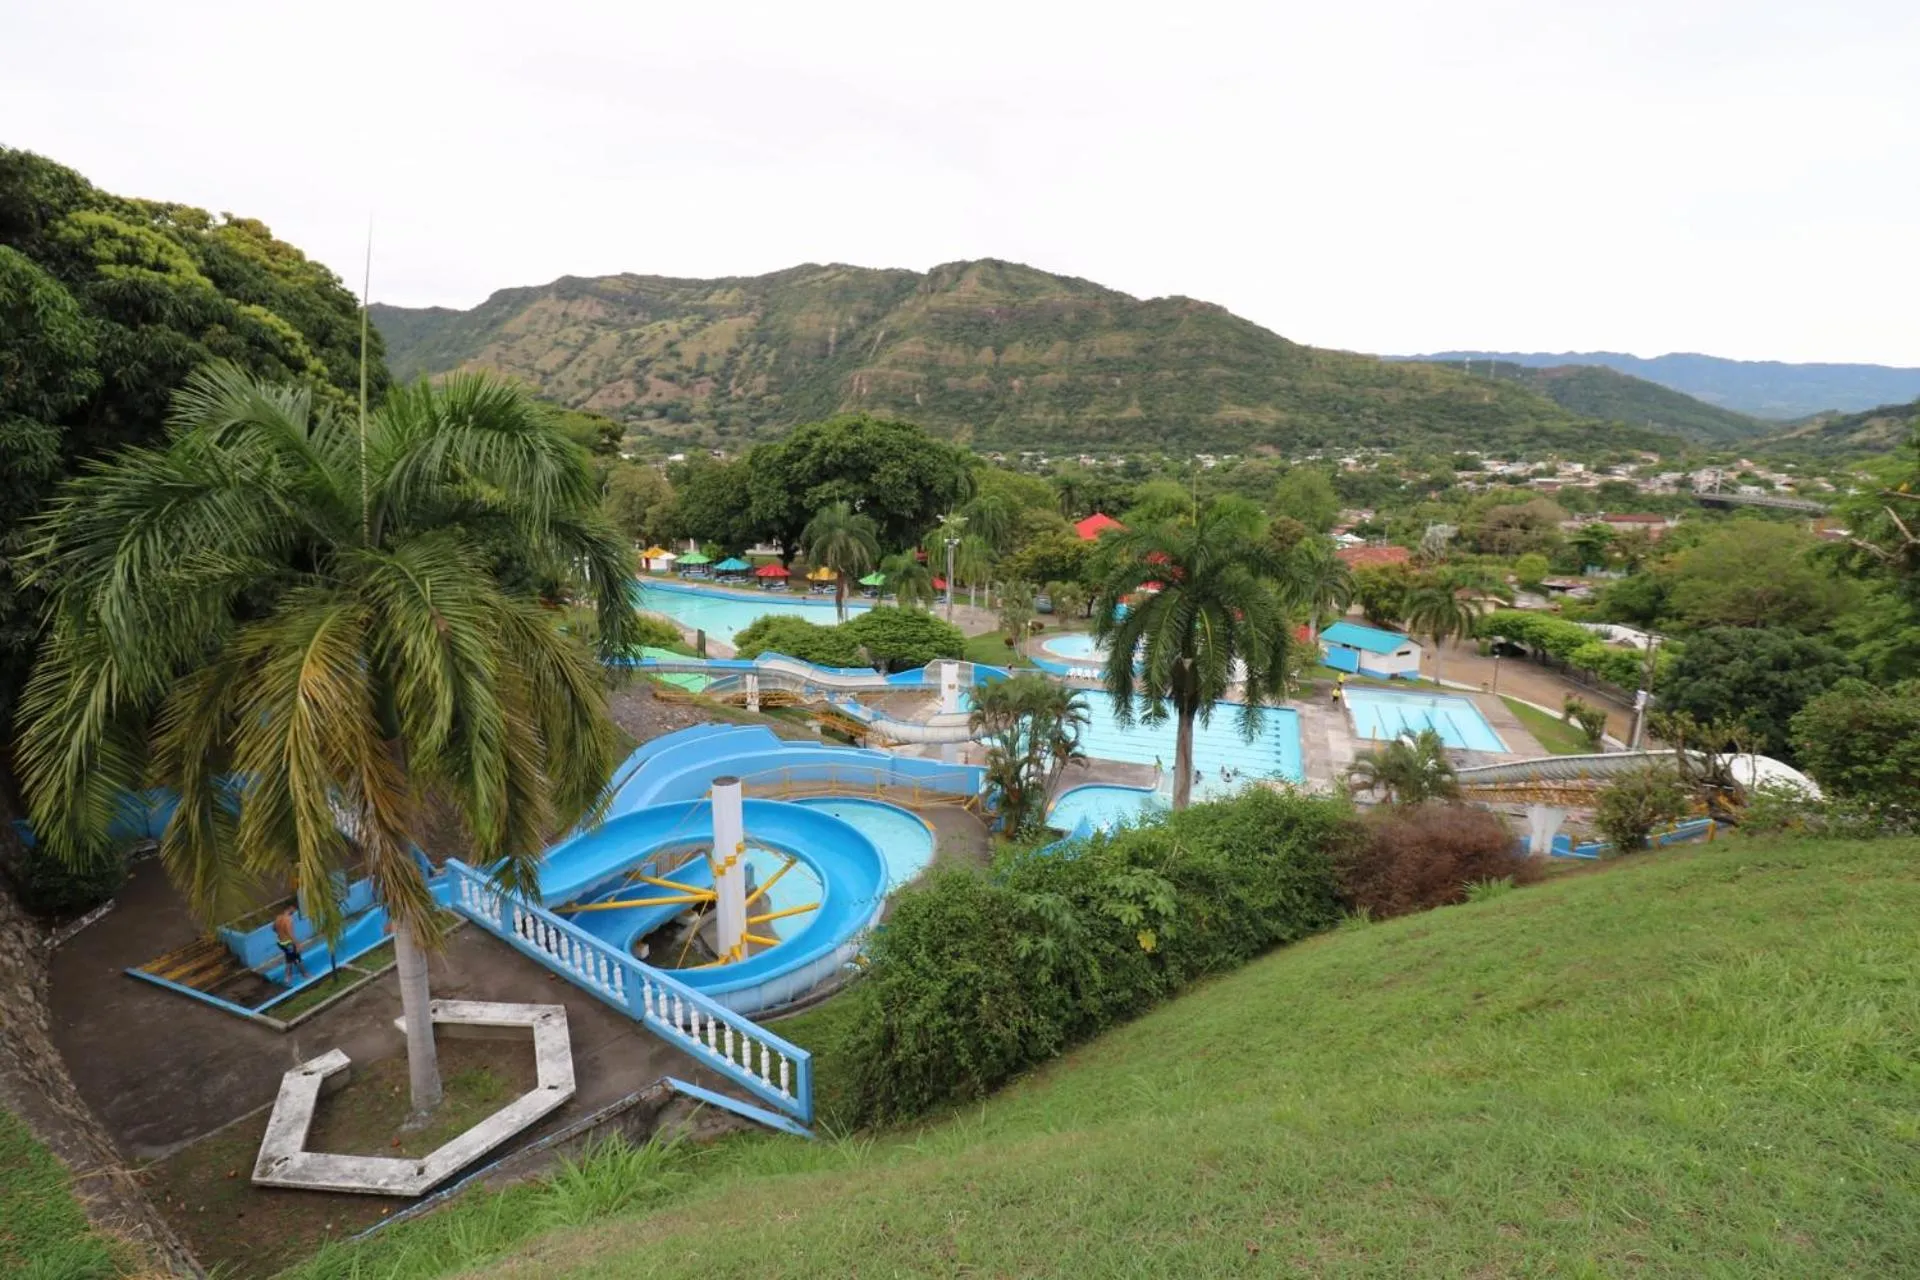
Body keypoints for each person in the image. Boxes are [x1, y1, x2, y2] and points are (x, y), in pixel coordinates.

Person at [273, 906, 308, 981]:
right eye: (294, 909)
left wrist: (281, 933)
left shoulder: (278, 918)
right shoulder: (288, 919)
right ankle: (305, 974)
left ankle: (288, 977)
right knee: (297, 959)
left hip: (280, 943)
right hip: (288, 943)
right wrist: (297, 944)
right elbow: (290, 933)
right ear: (290, 908)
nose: (295, 910)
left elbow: (274, 928)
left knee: (289, 958)